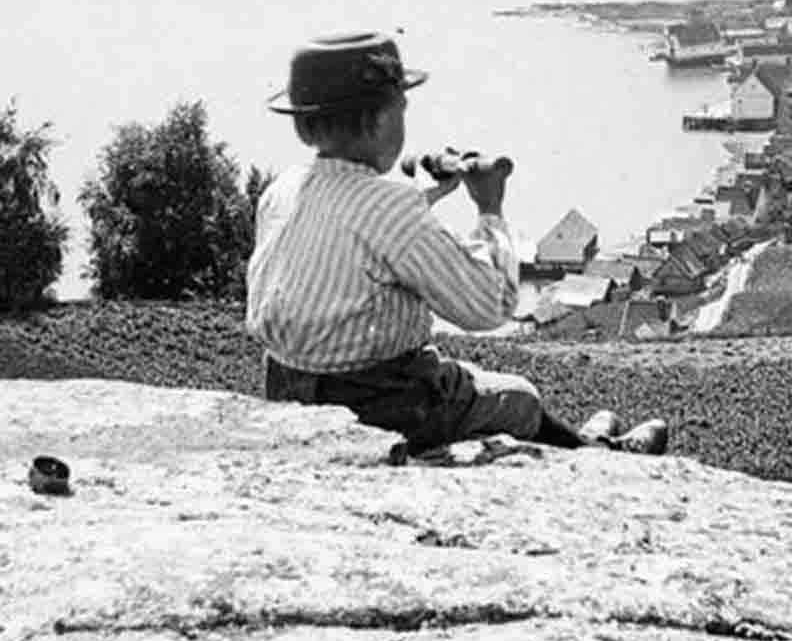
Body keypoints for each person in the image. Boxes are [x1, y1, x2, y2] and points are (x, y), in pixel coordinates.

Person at [246, 30, 667, 458]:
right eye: (401, 109)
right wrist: (489, 209)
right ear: (381, 120)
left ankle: (590, 443)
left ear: (304, 124)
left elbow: (351, 225)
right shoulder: (391, 208)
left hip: (287, 386)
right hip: (380, 403)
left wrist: (428, 195)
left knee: (472, 380)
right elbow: (488, 307)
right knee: (520, 397)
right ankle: (599, 454)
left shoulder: (283, 188)